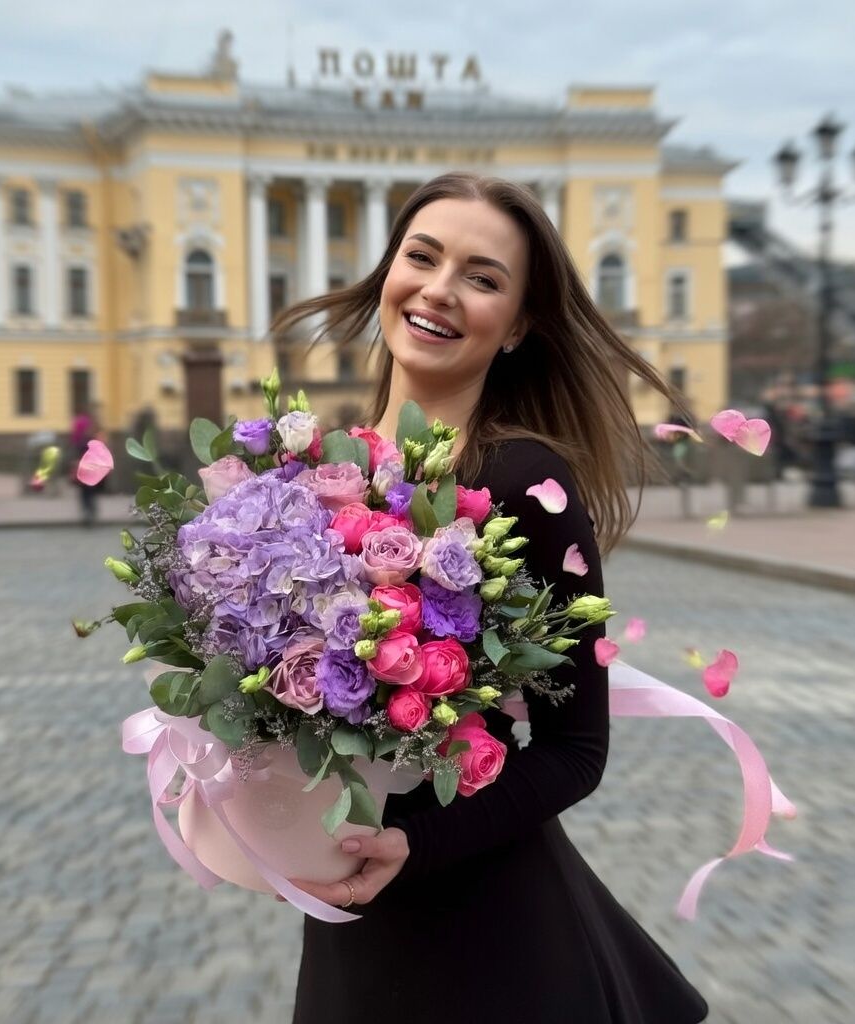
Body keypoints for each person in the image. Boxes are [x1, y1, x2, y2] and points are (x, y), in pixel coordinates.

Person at [272, 172, 709, 1022]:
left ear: (517, 326)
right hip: (353, 927)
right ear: (389, 272)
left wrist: (415, 839)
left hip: (491, 944)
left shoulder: (525, 481)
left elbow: (576, 750)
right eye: (422, 257)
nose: (439, 289)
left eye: (481, 277)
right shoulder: (323, 472)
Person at [70, 403, 106, 527]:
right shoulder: (91, 433)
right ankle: (89, 512)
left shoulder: (88, 433)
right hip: (88, 467)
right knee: (87, 491)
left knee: (88, 491)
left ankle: (89, 512)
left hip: (90, 467)